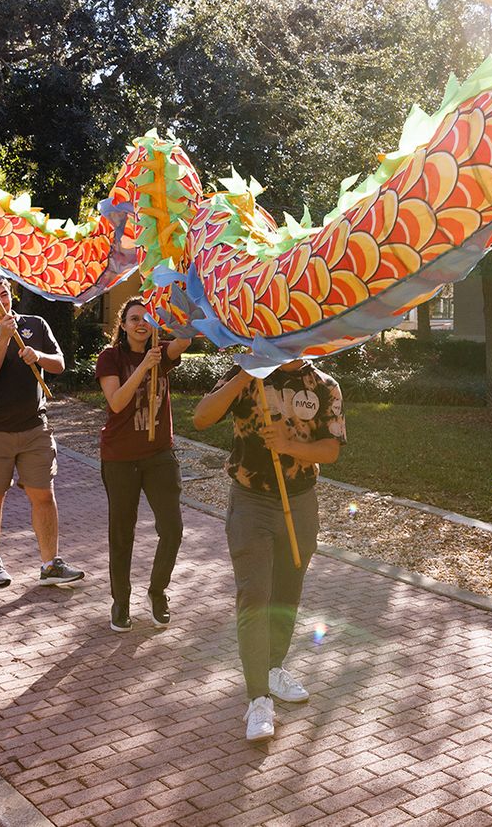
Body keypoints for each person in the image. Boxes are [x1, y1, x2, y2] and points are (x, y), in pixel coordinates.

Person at [193, 359, 345, 743]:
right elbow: (201, 418)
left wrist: (290, 445)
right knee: (255, 596)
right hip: (251, 502)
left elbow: (330, 450)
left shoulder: (324, 384)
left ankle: (274, 667)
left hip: (300, 503)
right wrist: (247, 372)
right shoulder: (246, 375)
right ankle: (258, 698)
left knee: (287, 592)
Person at [0, 273, 84, 589]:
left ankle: (50, 563)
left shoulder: (36, 324)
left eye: (3, 294)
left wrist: (37, 355)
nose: (0, 301)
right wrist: (3, 338)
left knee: (43, 493)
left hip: (34, 426)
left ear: (11, 292)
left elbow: (59, 364)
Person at [97, 297, 193, 632]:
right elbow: (117, 402)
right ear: (122, 325)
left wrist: (180, 304)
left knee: (173, 529)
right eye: (134, 318)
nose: (141, 324)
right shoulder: (111, 357)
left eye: (147, 318)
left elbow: (186, 338)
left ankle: (157, 591)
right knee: (122, 533)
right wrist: (144, 366)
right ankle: (120, 600)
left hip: (158, 456)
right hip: (120, 457)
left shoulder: (161, 351)